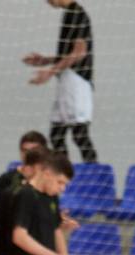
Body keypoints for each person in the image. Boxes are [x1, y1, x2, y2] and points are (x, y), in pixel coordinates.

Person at [24, 0, 97, 162]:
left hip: (76, 82)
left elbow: (80, 52)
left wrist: (50, 71)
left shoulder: (77, 13)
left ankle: (96, 179)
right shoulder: (69, 13)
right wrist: (45, 60)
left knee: (80, 135)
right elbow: (70, 53)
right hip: (66, 81)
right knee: (57, 135)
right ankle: (64, 177)